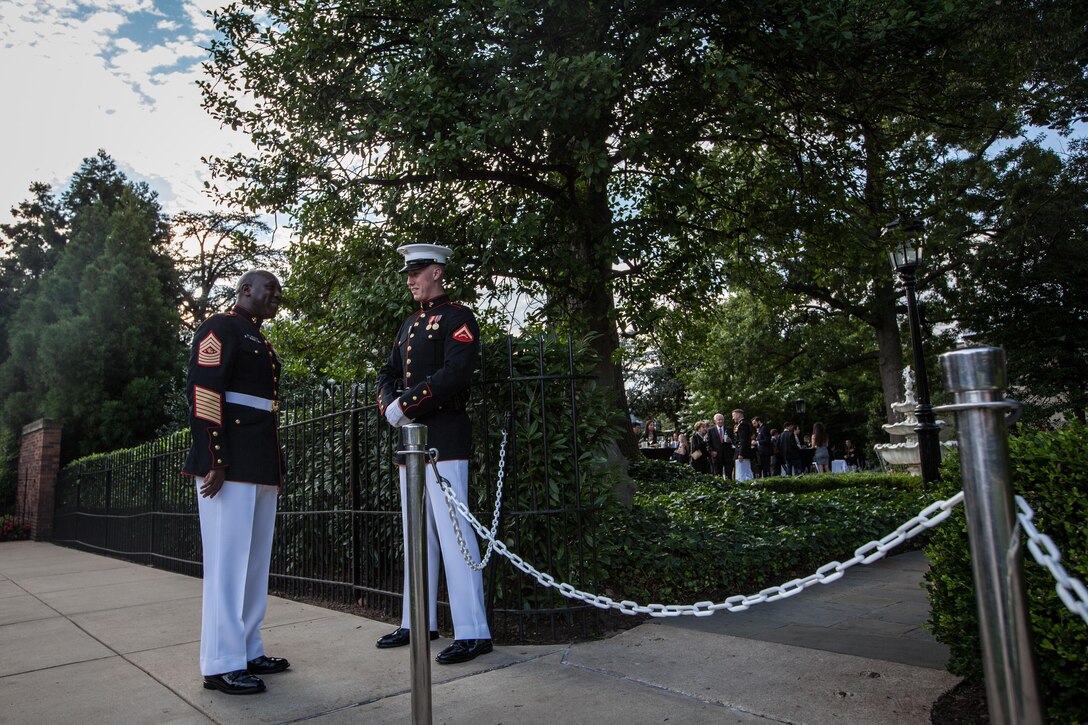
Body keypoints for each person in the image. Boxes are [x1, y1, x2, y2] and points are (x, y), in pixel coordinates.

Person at [375, 243, 493, 665]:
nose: (410, 279)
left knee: (454, 533)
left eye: (417, 271)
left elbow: (456, 374)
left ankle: (473, 630)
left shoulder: (459, 317)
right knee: (416, 533)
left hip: (444, 435)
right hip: (412, 442)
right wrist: (390, 402)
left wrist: (404, 405)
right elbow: (387, 372)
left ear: (438, 272)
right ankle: (416, 620)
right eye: (408, 272)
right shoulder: (409, 324)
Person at [182, 270, 290, 695]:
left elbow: (265, 410)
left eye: (278, 292)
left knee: (253, 565)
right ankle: (221, 663)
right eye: (271, 290)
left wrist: (275, 470)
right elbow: (204, 391)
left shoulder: (258, 338)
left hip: (258, 462)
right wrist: (215, 457)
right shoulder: (220, 327)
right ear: (246, 290)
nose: (277, 297)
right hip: (228, 464)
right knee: (227, 567)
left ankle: (247, 648)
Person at [732, 409, 754, 481]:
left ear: (738, 415)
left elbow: (743, 440)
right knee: (746, 472)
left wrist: (741, 453)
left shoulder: (742, 425)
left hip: (742, 453)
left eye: (733, 416)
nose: (733, 418)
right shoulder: (743, 424)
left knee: (741, 474)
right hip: (744, 452)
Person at [707, 413, 731, 478]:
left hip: (727, 455)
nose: (720, 421)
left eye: (722, 420)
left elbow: (734, 441)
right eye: (719, 420)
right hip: (716, 455)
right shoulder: (710, 431)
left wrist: (730, 440)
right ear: (715, 421)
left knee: (728, 474)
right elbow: (708, 443)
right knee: (718, 474)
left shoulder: (729, 429)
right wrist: (711, 451)